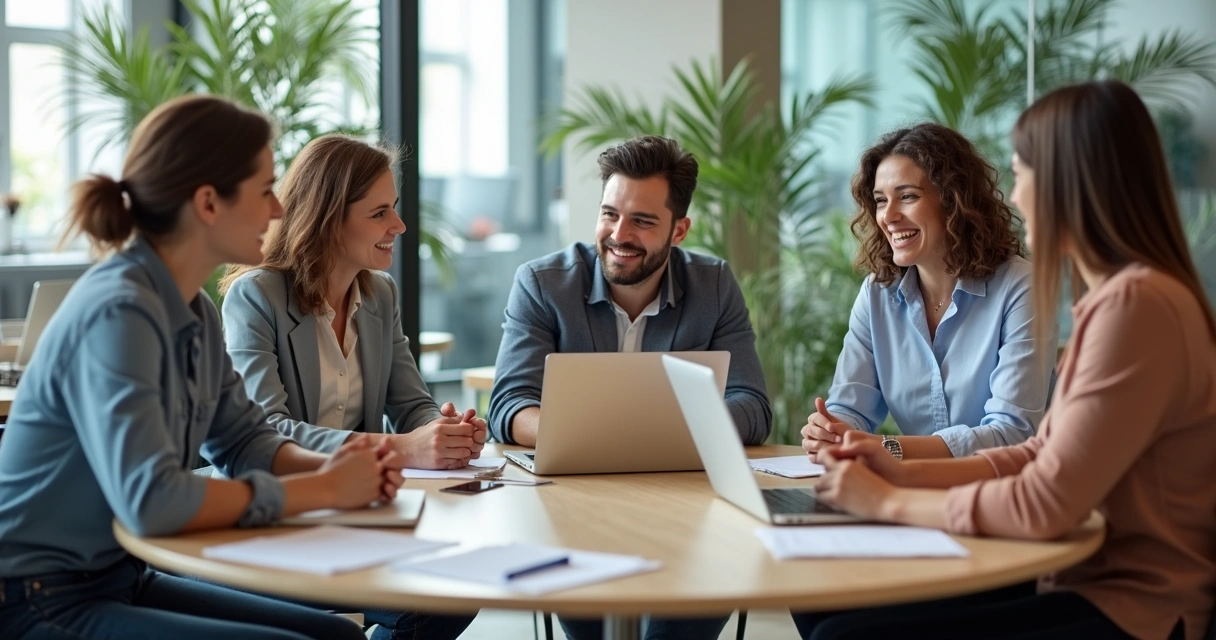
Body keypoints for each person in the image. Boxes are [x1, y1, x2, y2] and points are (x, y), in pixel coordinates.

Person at [800, 80, 1216, 640]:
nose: (1016, 197)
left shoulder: (1135, 305)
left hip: (1130, 604)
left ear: (1073, 183)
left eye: (1023, 175)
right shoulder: (1120, 299)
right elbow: (1039, 453)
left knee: (844, 633)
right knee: (822, 602)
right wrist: (901, 470)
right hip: (1071, 574)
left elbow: (1044, 501)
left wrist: (892, 500)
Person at [0, 95, 402, 640]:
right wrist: (326, 490)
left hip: (118, 575)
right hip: (38, 597)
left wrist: (343, 469)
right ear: (209, 203)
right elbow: (152, 500)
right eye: (265, 191)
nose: (279, 210)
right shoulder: (120, 309)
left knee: (340, 636)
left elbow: (243, 441)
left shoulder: (194, 308)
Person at [488, 134, 771, 640]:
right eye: (609, 214)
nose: (619, 234)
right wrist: (599, 433)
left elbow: (752, 407)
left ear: (679, 230)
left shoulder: (715, 285)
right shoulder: (543, 282)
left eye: (642, 221)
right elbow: (509, 406)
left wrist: (671, 427)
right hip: (571, 506)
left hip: (689, 507)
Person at [219, 134, 480, 639]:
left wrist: (444, 431)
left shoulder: (379, 294)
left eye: (395, 208)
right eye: (379, 212)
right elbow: (265, 430)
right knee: (422, 604)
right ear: (328, 217)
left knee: (454, 592)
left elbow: (411, 404)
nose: (399, 226)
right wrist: (400, 448)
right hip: (278, 512)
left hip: (355, 513)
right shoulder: (257, 297)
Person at [802, 122, 1055, 462]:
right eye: (880, 201)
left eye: (907, 196)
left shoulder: (1021, 286)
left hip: (1010, 495)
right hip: (915, 489)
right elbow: (850, 408)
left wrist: (887, 449)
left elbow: (1011, 433)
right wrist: (830, 432)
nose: (888, 216)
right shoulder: (878, 294)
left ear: (953, 201)